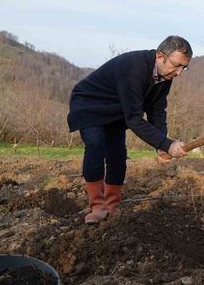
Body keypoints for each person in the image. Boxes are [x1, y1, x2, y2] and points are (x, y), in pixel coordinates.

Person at [67, 36, 192, 224]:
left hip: (117, 109)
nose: (179, 73)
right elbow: (134, 119)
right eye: (177, 65)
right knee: (95, 144)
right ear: (160, 56)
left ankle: (112, 205)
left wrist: (162, 145)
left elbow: (156, 111)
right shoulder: (133, 68)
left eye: (184, 67)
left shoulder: (165, 75)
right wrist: (167, 144)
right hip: (89, 104)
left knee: (118, 153)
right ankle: (97, 206)